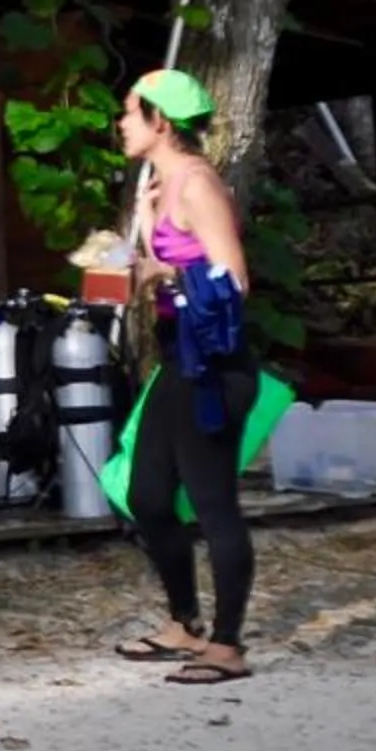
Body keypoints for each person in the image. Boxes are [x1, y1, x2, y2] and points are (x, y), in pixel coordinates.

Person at [109, 68, 261, 687]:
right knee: (144, 494)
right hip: (179, 359)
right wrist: (144, 241)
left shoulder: (197, 184)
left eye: (129, 113)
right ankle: (183, 622)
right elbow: (158, 264)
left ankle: (227, 646)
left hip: (215, 368)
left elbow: (234, 280)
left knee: (214, 504)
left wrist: (160, 274)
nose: (120, 123)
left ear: (160, 121)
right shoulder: (157, 185)